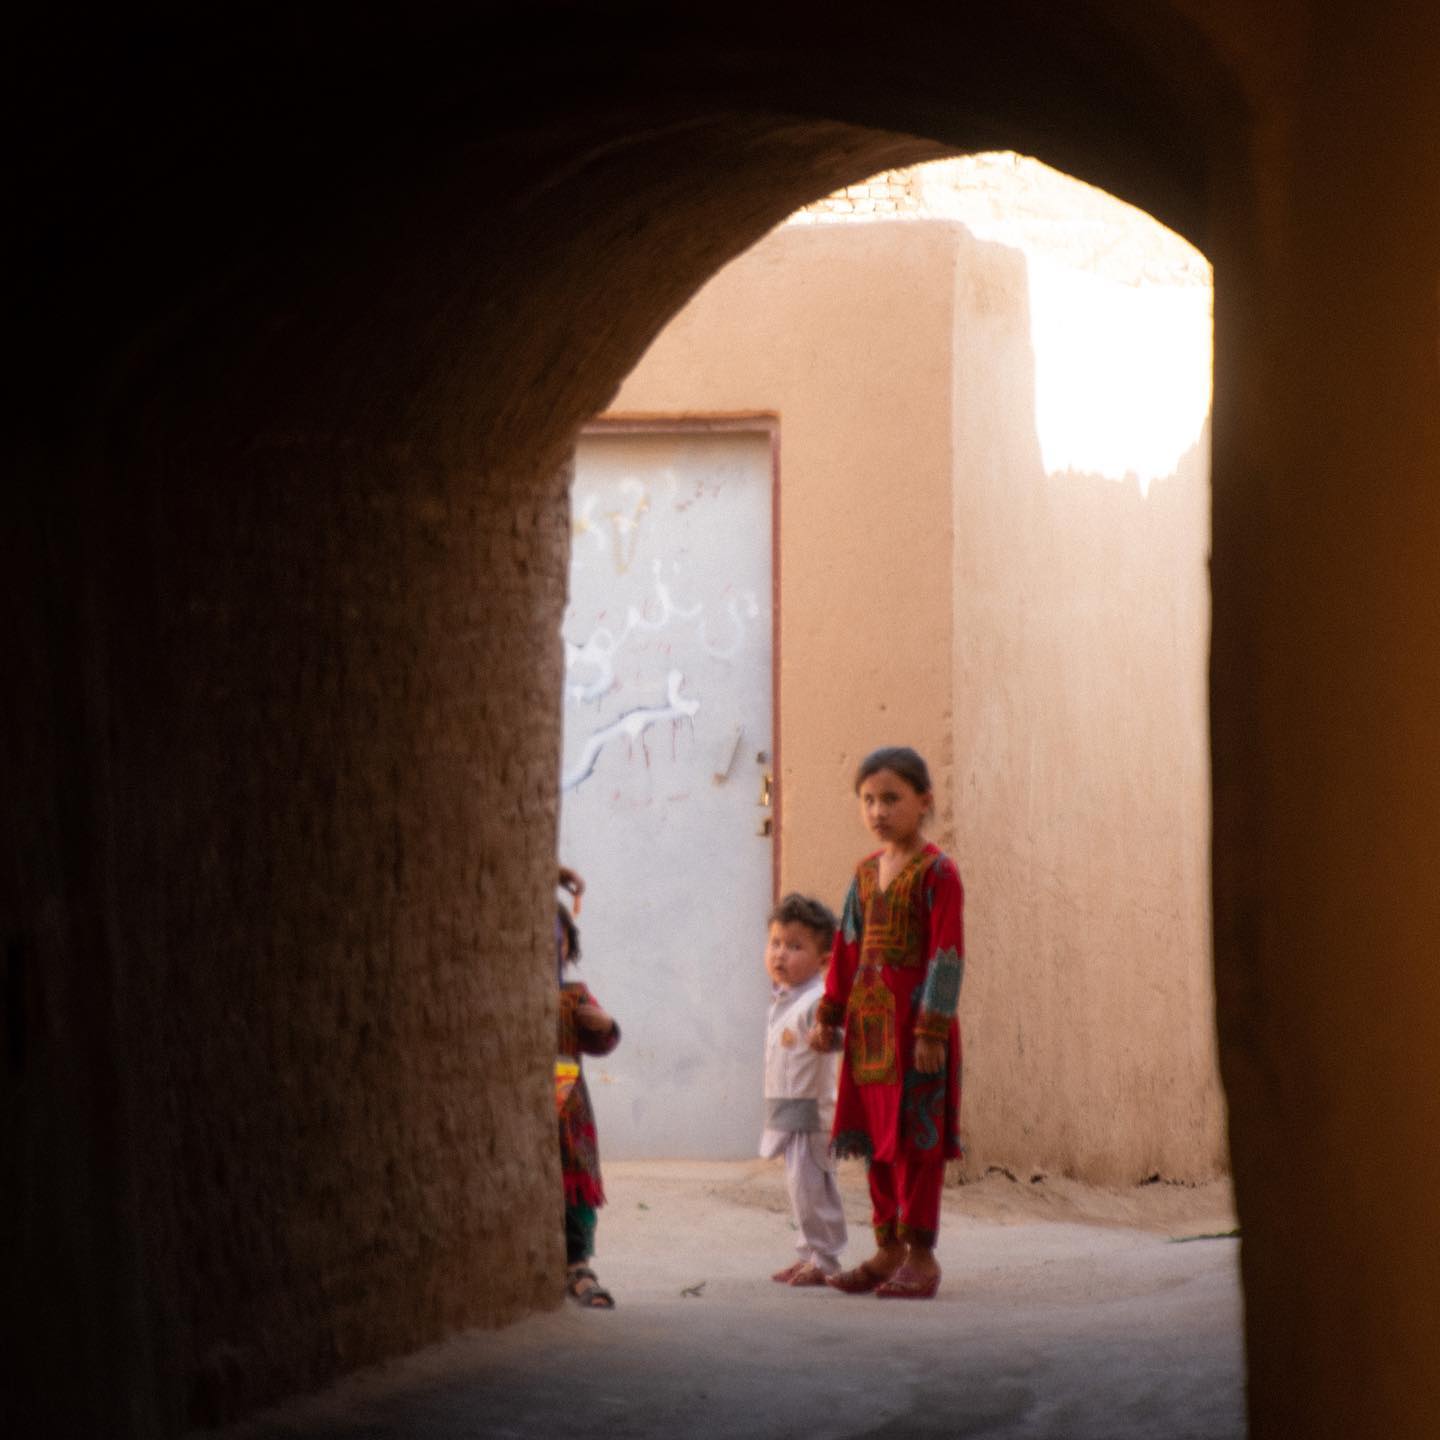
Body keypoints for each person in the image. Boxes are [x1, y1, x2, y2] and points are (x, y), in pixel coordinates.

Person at [808, 746, 965, 1300]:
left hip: (917, 1035)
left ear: (923, 801)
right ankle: (887, 1248)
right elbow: (847, 952)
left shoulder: (939, 873)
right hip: (870, 1035)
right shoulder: (864, 874)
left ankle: (922, 1256)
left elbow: (947, 954)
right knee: (876, 1141)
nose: (878, 810)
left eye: (891, 798)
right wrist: (829, 1014)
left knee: (917, 1146)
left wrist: (931, 1031)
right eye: (868, 800)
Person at [760, 893, 849, 1285]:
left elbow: (841, 1035)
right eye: (776, 943)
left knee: (814, 1188)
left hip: (812, 1115)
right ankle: (808, 1252)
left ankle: (826, 1260)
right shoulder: (784, 1000)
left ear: (824, 961)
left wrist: (827, 1038)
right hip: (788, 1110)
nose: (781, 954)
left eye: (795, 946)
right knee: (799, 1190)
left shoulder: (819, 1001)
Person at [555, 896, 621, 1307]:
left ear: (570, 949)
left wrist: (606, 1026)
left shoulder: (574, 996)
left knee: (574, 1188)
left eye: (557, 942)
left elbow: (603, 1042)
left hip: (567, 1108)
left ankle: (579, 1267)